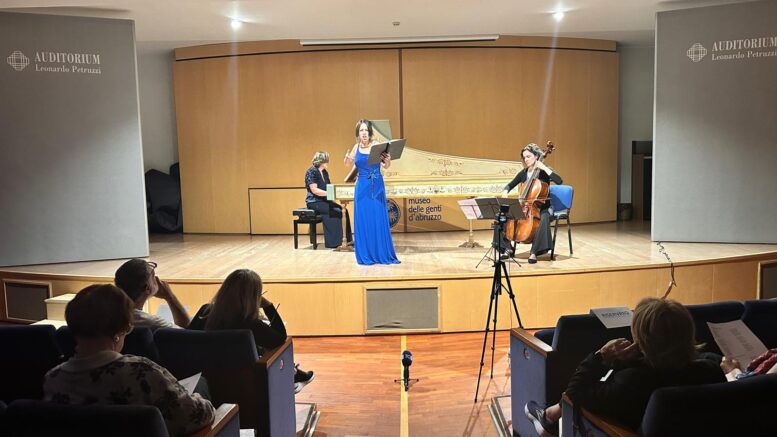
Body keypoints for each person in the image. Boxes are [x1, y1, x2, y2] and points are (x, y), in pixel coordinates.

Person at [524, 297, 725, 436]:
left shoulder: (632, 381)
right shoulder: (711, 371)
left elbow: (574, 393)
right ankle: (549, 416)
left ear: (641, 340)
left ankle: (549, 417)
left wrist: (601, 356)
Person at [43, 284, 215, 437]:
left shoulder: (52, 379)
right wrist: (200, 399)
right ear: (123, 329)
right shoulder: (140, 372)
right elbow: (196, 416)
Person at [188, 269, 315, 393]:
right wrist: (268, 306)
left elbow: (188, 337)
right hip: (244, 385)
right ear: (255, 297)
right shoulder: (251, 324)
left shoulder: (204, 311)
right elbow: (280, 338)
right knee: (272, 349)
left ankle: (292, 373)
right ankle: (290, 374)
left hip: (205, 379)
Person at [343, 119, 400, 265]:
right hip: (362, 186)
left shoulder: (377, 146)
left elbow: (386, 166)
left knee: (377, 218)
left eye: (366, 130)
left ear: (369, 133)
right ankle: (365, 254)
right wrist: (347, 159)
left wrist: (387, 160)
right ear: (358, 133)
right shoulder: (356, 147)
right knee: (364, 219)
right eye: (361, 130)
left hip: (376, 186)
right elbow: (348, 163)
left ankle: (380, 253)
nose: (364, 133)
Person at [500, 143, 563, 263]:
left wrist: (544, 167)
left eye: (528, 156)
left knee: (544, 218)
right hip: (526, 206)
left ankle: (534, 252)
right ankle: (507, 248)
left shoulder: (544, 171)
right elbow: (510, 185)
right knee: (501, 217)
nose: (526, 159)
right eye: (524, 157)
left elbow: (559, 181)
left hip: (543, 207)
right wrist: (505, 191)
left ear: (536, 156)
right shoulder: (523, 173)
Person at [115, 258, 190, 330]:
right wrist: (170, 296)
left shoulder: (110, 313)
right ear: (147, 288)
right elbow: (186, 332)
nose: (157, 278)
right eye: (153, 276)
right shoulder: (153, 323)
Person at [305, 151, 352, 248]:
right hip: (314, 201)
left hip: (324, 200)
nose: (328, 163)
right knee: (336, 211)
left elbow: (329, 188)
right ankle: (334, 242)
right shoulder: (312, 171)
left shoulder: (324, 172)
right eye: (326, 161)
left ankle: (346, 240)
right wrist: (330, 194)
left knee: (344, 210)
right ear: (321, 161)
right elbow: (314, 190)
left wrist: (336, 195)